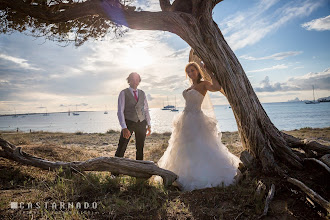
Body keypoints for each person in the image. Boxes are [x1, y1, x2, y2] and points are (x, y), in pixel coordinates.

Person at [157, 62, 241, 191]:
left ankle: (199, 175)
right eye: (188, 71)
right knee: (184, 146)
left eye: (193, 70)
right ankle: (183, 172)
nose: (191, 73)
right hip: (185, 119)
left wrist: (209, 72)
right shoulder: (191, 86)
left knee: (200, 145)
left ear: (198, 71)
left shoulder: (203, 84)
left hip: (196, 118)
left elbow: (217, 87)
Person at [116, 72, 151, 161]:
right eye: (133, 79)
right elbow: (120, 111)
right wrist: (124, 127)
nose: (135, 81)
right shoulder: (123, 93)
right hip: (129, 122)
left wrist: (149, 124)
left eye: (137, 79)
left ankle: (139, 171)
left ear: (139, 81)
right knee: (122, 147)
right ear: (129, 80)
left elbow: (146, 109)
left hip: (142, 123)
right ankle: (115, 173)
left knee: (140, 148)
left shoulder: (142, 93)